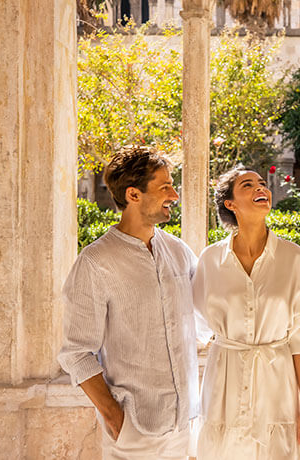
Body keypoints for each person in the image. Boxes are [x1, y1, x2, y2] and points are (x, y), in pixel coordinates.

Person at [57, 145, 208, 460]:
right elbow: (76, 353)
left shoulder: (179, 252)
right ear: (133, 195)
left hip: (186, 429)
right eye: (164, 186)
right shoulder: (96, 262)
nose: (174, 195)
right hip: (134, 432)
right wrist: (116, 418)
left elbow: (209, 315)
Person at [192, 164, 300, 459]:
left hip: (278, 389)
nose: (261, 188)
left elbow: (299, 338)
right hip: (223, 385)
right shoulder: (210, 260)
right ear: (230, 204)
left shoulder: (292, 257)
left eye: (262, 183)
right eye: (248, 185)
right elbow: (197, 323)